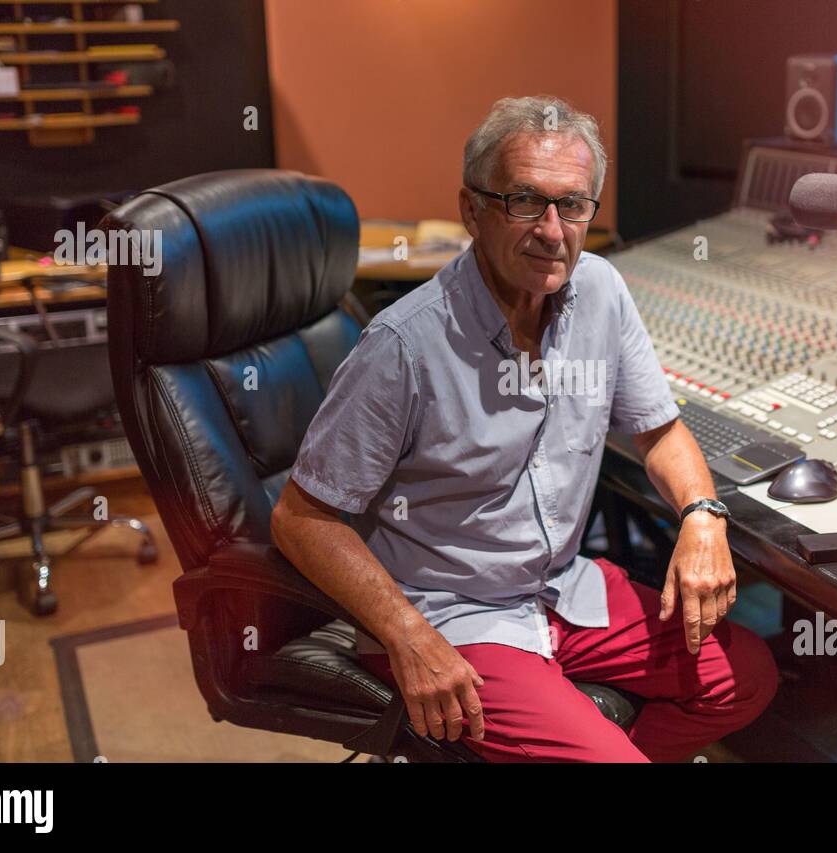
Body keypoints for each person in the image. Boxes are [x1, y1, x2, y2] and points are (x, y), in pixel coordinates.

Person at [271, 95, 777, 762]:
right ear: (471, 209)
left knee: (746, 678)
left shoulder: (601, 291)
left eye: (573, 204)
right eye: (524, 201)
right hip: (450, 613)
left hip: (560, 588)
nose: (551, 228)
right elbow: (301, 518)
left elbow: (660, 431)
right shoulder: (402, 345)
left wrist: (703, 516)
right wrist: (406, 633)